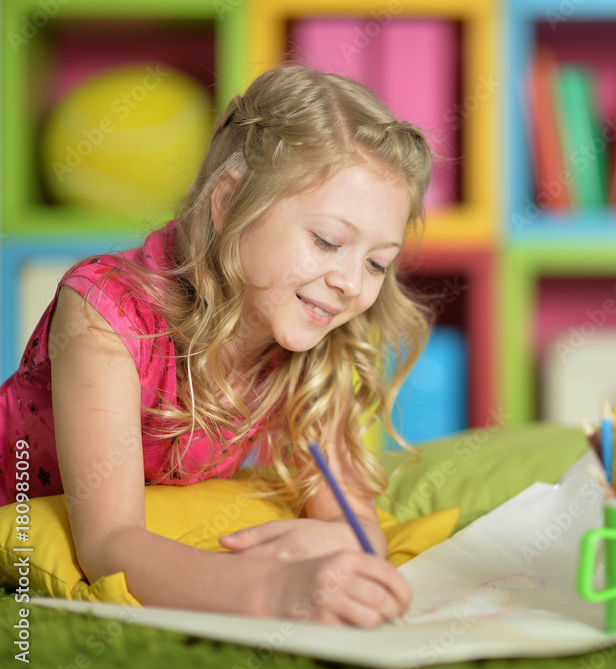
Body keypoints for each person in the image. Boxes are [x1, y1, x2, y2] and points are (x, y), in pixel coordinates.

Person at [0, 64, 434, 627]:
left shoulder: (313, 332)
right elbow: (108, 545)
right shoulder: (102, 311)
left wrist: (344, 545)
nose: (352, 283)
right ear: (229, 203)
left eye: (378, 262)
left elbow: (351, 514)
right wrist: (276, 590)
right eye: (327, 241)